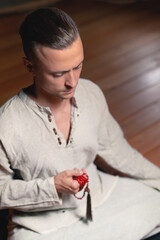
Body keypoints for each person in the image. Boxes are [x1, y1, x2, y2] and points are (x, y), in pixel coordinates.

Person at [0, 7, 160, 240]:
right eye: (59, 73)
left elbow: (118, 151)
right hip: (42, 225)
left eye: (78, 66)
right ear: (30, 67)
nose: (72, 81)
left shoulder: (91, 93)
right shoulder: (7, 123)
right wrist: (52, 186)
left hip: (101, 197)